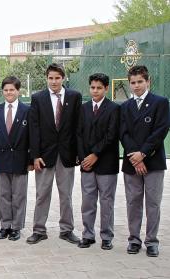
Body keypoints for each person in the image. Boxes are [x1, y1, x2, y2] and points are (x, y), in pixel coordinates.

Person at [27, 63, 82, 245]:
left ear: (63, 78)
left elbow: (78, 128)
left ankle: (67, 230)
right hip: (44, 155)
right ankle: (39, 230)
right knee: (42, 193)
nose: (54, 81)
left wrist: (78, 153)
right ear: (46, 78)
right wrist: (35, 155)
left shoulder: (74, 97)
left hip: (67, 154)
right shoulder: (38, 98)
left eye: (57, 78)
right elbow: (34, 129)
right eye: (50, 78)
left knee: (66, 194)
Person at [120, 65, 170, 257]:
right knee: (133, 202)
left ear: (148, 81)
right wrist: (136, 157)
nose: (137, 86)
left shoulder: (160, 102)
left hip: (154, 162)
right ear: (129, 84)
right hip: (132, 163)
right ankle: (134, 239)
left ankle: (151, 241)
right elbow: (123, 133)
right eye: (133, 82)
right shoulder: (125, 106)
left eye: (140, 81)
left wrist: (144, 154)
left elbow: (161, 130)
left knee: (153, 203)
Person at [76, 73, 119, 250]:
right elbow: (78, 134)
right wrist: (83, 157)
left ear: (106, 88)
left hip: (106, 163)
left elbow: (111, 135)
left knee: (106, 201)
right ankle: (88, 234)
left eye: (99, 88)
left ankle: (107, 236)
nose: (95, 91)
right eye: (93, 87)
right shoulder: (83, 108)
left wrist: (95, 154)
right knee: (88, 200)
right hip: (87, 163)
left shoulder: (114, 108)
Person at [0, 76, 31, 241]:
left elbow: (31, 137)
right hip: (1, 157)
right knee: (3, 194)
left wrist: (30, 160)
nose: (9, 93)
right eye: (6, 90)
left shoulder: (27, 110)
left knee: (19, 195)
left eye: (12, 90)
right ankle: (5, 225)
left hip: (20, 158)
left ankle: (16, 227)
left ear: (18, 91)